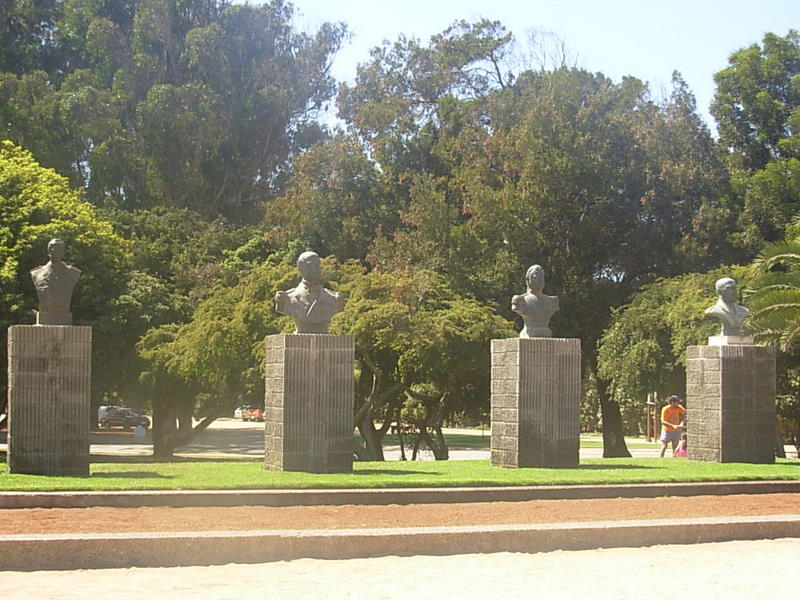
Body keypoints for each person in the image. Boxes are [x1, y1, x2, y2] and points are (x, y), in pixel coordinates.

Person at [274, 251, 344, 333]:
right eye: (311, 265)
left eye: (318, 264)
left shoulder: (333, 298)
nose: (317, 268)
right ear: (300, 267)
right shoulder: (288, 298)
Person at [30, 238, 81, 325]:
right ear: (48, 251)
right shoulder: (37, 273)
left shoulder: (73, 273)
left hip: (64, 313)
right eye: (52, 248)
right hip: (44, 314)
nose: (54, 251)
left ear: (63, 252)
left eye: (58, 249)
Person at [511, 264, 559, 338]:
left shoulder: (552, 301)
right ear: (528, 279)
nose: (540, 280)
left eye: (542, 277)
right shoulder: (520, 301)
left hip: (546, 332)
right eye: (536, 277)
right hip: (528, 332)